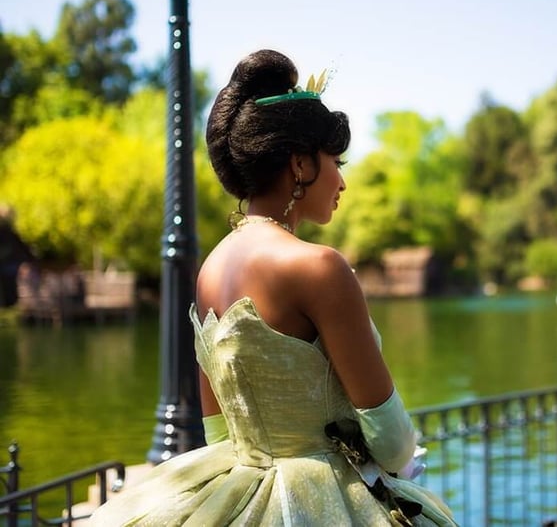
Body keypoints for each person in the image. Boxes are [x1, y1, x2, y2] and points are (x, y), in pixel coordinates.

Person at [90, 49, 456, 526]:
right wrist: (401, 465)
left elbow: (219, 431)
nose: (342, 181)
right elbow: (389, 438)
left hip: (233, 491)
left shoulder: (210, 271)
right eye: (335, 161)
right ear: (300, 164)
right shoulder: (320, 267)